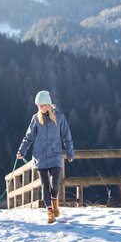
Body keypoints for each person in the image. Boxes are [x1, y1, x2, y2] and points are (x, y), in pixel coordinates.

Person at [17, 90, 75, 223]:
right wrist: (22, 151)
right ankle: (49, 211)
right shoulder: (36, 118)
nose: (39, 108)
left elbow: (67, 136)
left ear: (48, 104)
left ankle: (55, 202)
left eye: (41, 105)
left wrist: (70, 152)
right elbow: (28, 137)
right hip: (40, 157)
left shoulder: (60, 118)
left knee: (55, 185)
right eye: (38, 106)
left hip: (55, 156)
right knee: (45, 186)